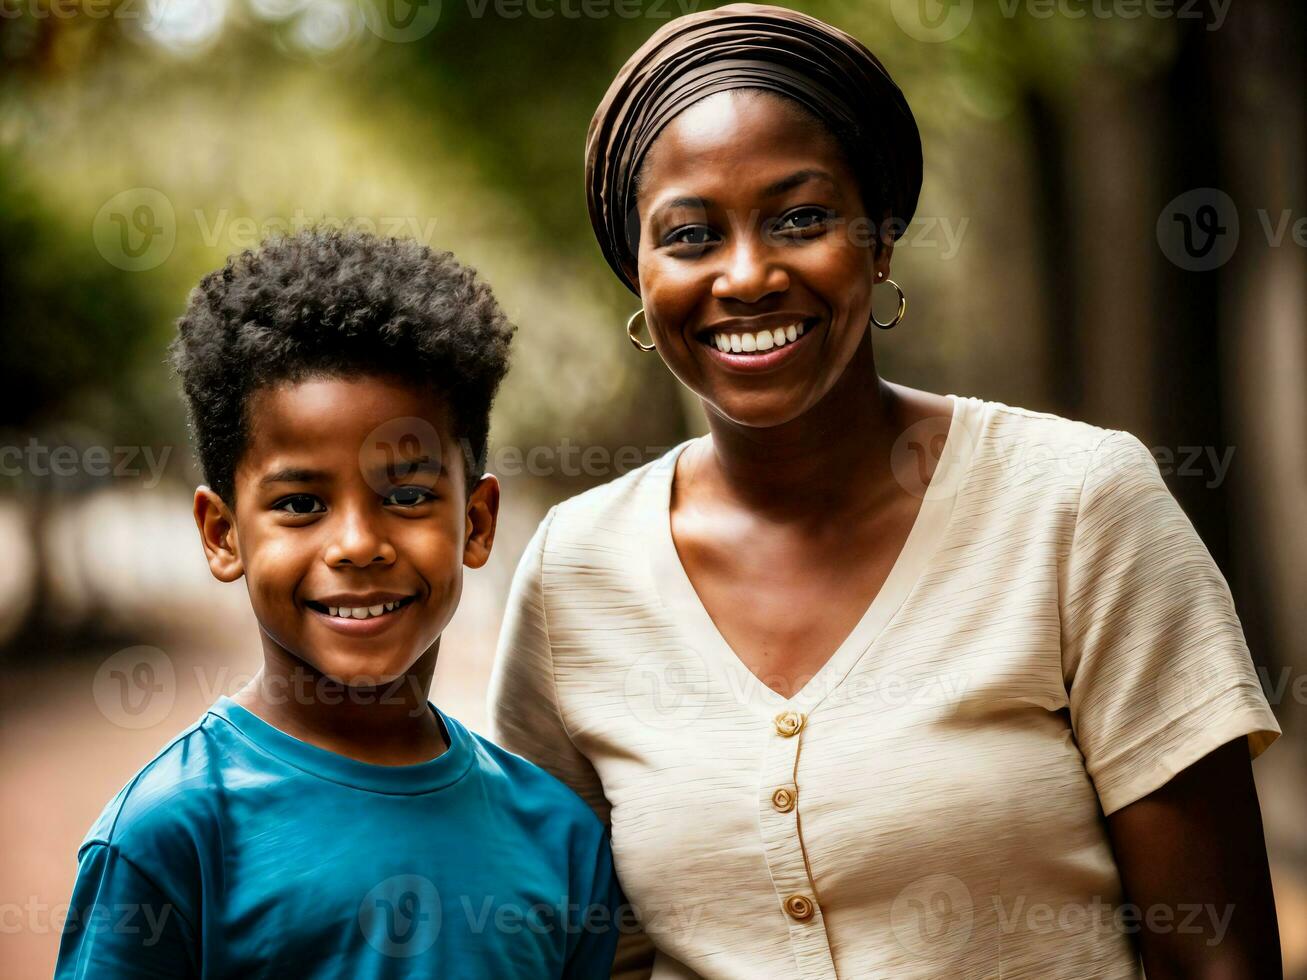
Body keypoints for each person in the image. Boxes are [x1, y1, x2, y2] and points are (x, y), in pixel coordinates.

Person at [486, 5, 1283, 978]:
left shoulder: (1074, 508)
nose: (745, 274)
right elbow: (576, 952)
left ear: (880, 239)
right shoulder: (577, 573)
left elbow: (1214, 956)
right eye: (689, 235)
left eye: (801, 217)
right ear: (639, 276)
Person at [55, 228, 624, 979]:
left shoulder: (558, 839)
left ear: (476, 523)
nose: (357, 544)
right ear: (223, 535)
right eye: (299, 503)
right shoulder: (172, 834)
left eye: (410, 495)